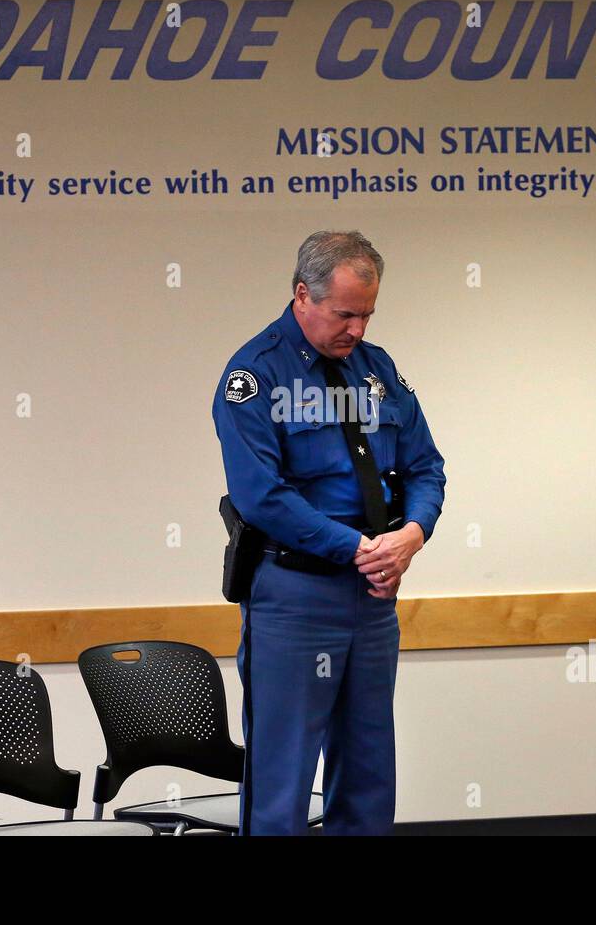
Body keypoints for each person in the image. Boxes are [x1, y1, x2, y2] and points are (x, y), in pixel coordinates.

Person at [213, 230, 446, 834]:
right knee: (283, 780)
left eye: (368, 314)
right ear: (302, 295)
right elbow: (261, 495)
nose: (358, 330)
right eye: (345, 314)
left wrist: (412, 534)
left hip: (371, 599)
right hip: (295, 597)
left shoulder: (378, 369)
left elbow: (425, 466)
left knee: (369, 771)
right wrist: (357, 549)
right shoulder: (254, 376)